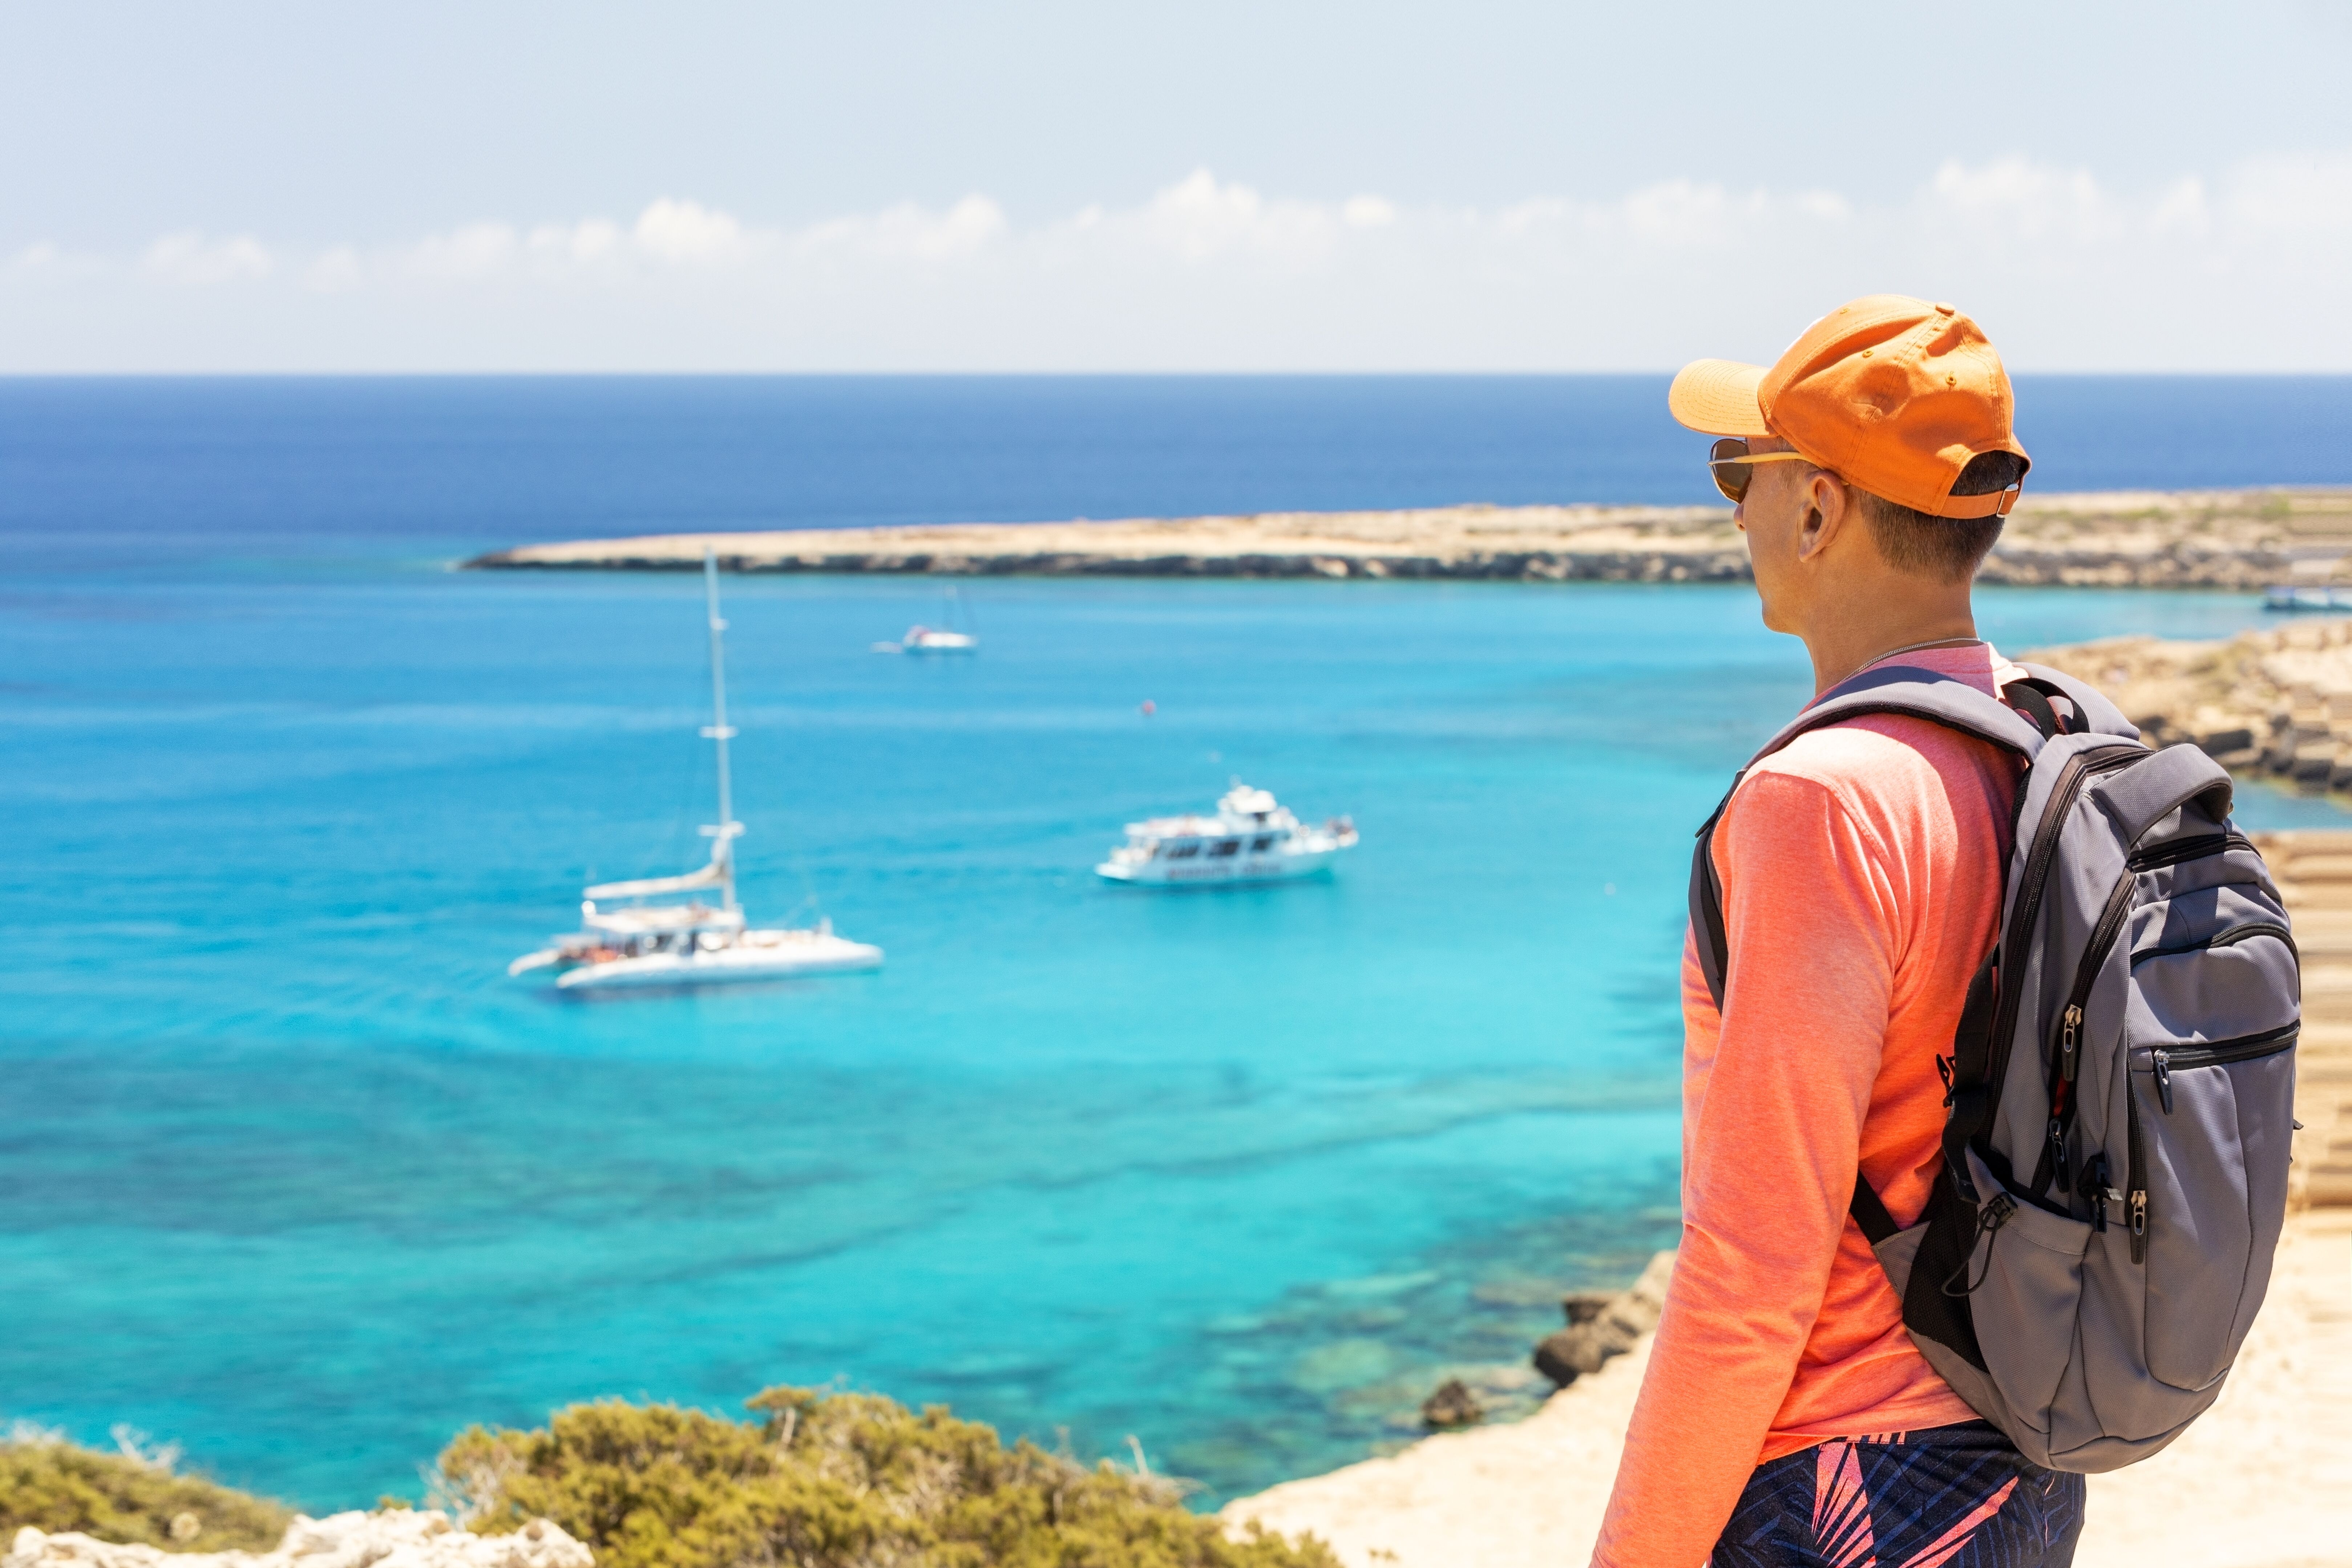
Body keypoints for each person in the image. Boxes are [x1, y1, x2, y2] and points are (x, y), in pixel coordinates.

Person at [1591, 297, 2086, 1567]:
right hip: (2016, 1460)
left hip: (1848, 1488)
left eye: (1737, 469)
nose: (1733, 511)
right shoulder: (2040, 745)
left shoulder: (1820, 800)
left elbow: (1751, 1271)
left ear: (1816, 509)